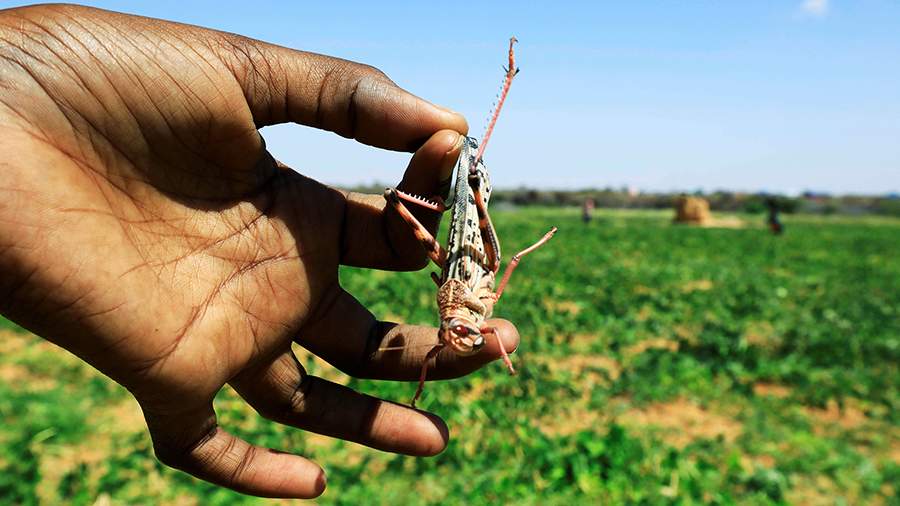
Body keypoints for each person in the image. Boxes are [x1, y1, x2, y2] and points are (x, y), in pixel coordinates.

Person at [0, 4, 520, 499]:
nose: (458, 334)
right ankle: (506, 87)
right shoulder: (465, 308)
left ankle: (498, 103)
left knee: (468, 190)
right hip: (460, 257)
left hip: (461, 257)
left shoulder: (463, 308)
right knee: (463, 193)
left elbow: (488, 271)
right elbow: (492, 271)